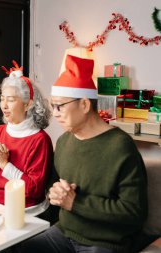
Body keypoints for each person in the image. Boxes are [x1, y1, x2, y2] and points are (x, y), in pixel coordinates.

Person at [21, 54, 148, 253]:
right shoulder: (64, 142)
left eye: (60, 106)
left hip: (105, 242)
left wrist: (76, 203)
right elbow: (54, 187)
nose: (54, 113)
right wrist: (54, 193)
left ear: (85, 104)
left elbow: (134, 213)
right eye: (53, 106)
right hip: (64, 233)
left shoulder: (121, 147)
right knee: (16, 248)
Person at [0, 60, 53, 209]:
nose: (4, 105)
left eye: (10, 100)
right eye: (1, 99)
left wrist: (4, 164)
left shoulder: (39, 139)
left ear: (28, 104)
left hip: (27, 212)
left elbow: (34, 190)